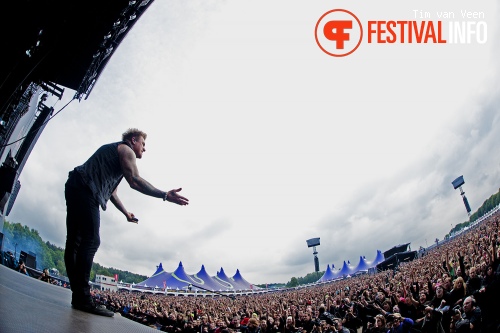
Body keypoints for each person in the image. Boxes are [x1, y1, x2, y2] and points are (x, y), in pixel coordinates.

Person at [64, 128, 189, 317]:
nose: (144, 149)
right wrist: (164, 195)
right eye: (143, 144)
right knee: (91, 240)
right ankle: (82, 297)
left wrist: (125, 213)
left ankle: (78, 294)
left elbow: (112, 192)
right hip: (86, 188)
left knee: (74, 241)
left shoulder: (116, 157)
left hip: (76, 185)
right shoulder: (126, 150)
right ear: (133, 140)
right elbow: (135, 181)